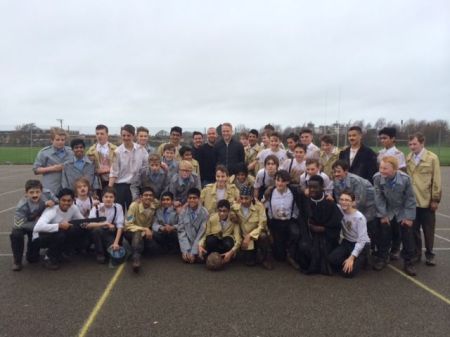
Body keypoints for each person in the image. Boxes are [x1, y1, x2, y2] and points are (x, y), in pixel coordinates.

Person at [373, 156, 417, 276]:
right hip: (387, 208)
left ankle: (409, 262)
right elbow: (379, 197)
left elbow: (410, 199)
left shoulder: (405, 179)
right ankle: (383, 258)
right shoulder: (377, 178)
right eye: (381, 167)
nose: (382, 171)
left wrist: (408, 217)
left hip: (402, 209)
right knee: (384, 233)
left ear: (395, 169)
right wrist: (383, 214)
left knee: (407, 235)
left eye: (385, 168)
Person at [406, 132, 442, 266]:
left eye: (414, 144)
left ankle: (430, 254)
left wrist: (435, 199)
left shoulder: (432, 158)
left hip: (426, 200)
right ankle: (417, 253)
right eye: (410, 144)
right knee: (414, 230)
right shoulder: (408, 157)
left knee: (428, 230)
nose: (412, 147)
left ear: (422, 143)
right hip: (413, 201)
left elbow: (436, 180)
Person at [264, 170, 309, 270]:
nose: (280, 183)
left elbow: (302, 201)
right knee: (279, 257)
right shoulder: (270, 192)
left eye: (283, 181)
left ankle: (291, 253)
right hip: (275, 222)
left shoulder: (294, 192)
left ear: (287, 182)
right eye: (277, 180)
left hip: (289, 221)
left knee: (295, 233)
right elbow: (264, 206)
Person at [299, 175, 342, 275]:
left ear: (322, 187)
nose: (312, 190)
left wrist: (324, 229)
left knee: (327, 251)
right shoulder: (305, 202)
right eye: (310, 187)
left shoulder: (330, 203)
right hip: (310, 234)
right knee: (304, 246)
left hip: (327, 235)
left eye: (315, 187)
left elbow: (337, 223)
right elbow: (302, 220)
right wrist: (310, 228)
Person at [10, 180, 58, 271]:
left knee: (32, 259)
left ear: (42, 191)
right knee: (16, 234)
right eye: (31, 192)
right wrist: (40, 224)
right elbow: (19, 224)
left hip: (39, 224)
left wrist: (53, 203)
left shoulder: (47, 194)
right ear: (26, 193)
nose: (34, 195)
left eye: (37, 192)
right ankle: (17, 261)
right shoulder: (22, 206)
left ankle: (41, 253)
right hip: (26, 225)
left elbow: (58, 202)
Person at [32, 188, 85, 270]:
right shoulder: (52, 210)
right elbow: (37, 228)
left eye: (69, 200)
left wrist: (100, 224)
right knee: (60, 234)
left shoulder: (74, 208)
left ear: (73, 200)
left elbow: (83, 222)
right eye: (63, 200)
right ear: (59, 200)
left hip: (56, 235)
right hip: (39, 238)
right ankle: (48, 258)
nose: (66, 203)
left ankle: (62, 252)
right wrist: (58, 226)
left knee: (76, 229)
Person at [332, 160, 376, 252]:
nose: (336, 174)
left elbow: (360, 201)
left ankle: (368, 251)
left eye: (339, 171)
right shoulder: (336, 181)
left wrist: (348, 211)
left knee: (366, 228)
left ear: (346, 171)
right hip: (350, 205)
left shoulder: (356, 181)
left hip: (368, 206)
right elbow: (338, 198)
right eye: (334, 171)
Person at [328, 190, 370, 278]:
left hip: (361, 245)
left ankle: (362, 257)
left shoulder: (359, 218)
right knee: (332, 260)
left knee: (348, 273)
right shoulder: (340, 209)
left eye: (347, 200)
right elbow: (331, 202)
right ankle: (348, 258)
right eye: (342, 199)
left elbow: (361, 241)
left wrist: (351, 258)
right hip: (347, 242)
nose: (344, 202)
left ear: (353, 202)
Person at [231, 185, 273, 269]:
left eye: (246, 198)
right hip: (244, 237)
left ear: (251, 197)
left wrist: (249, 236)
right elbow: (228, 209)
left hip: (256, 235)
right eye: (241, 198)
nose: (243, 201)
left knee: (263, 236)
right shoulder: (235, 207)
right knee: (249, 262)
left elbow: (262, 225)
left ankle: (265, 258)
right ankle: (254, 253)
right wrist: (232, 214)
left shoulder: (259, 206)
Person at [109, 124, 148, 212]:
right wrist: (109, 189)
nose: (126, 138)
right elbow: (114, 172)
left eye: (128, 135)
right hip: (120, 186)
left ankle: (132, 226)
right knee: (119, 211)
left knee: (134, 212)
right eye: (124, 135)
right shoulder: (117, 152)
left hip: (135, 186)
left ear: (133, 136)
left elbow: (147, 165)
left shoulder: (141, 149)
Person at [124, 186, 158, 273]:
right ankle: (136, 259)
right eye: (145, 195)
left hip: (146, 232)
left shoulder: (155, 204)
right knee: (137, 234)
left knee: (153, 249)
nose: (148, 197)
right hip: (132, 232)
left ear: (153, 198)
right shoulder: (134, 206)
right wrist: (144, 228)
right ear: (140, 197)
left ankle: (139, 248)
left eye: (150, 195)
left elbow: (165, 203)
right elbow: (128, 225)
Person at [198, 199, 241, 267]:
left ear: (229, 211)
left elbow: (238, 240)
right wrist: (200, 245)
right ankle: (213, 258)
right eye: (220, 211)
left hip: (226, 242)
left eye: (224, 211)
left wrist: (231, 252)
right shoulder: (212, 219)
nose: (222, 213)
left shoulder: (233, 219)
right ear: (217, 210)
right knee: (210, 240)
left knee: (228, 242)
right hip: (216, 241)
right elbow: (205, 235)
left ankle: (226, 257)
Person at [87, 187, 124, 264]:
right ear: (102, 198)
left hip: (111, 232)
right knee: (96, 230)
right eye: (106, 197)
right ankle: (100, 254)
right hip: (99, 232)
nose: (108, 199)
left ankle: (111, 246)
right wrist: (105, 223)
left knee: (116, 256)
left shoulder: (118, 207)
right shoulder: (96, 207)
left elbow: (120, 226)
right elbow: (88, 225)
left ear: (114, 198)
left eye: (111, 197)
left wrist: (116, 243)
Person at [33, 127, 74, 195]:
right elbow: (36, 170)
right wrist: (53, 168)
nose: (60, 142)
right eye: (57, 140)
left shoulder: (71, 152)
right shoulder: (44, 153)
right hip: (51, 189)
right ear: (52, 140)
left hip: (67, 189)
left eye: (62, 140)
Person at [177, 188, 208, 264]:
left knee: (200, 258)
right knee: (185, 257)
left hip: (198, 242)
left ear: (199, 199)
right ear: (187, 199)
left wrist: (193, 252)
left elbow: (201, 234)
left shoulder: (205, 213)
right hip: (186, 242)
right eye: (190, 198)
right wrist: (185, 250)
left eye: (194, 198)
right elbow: (181, 231)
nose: (192, 200)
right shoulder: (183, 212)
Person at [86, 124, 117, 195]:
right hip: (99, 182)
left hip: (113, 181)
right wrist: (96, 170)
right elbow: (89, 169)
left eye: (102, 134)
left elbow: (119, 166)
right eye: (97, 134)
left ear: (107, 135)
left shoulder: (115, 149)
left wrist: (108, 170)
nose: (99, 136)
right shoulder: (90, 151)